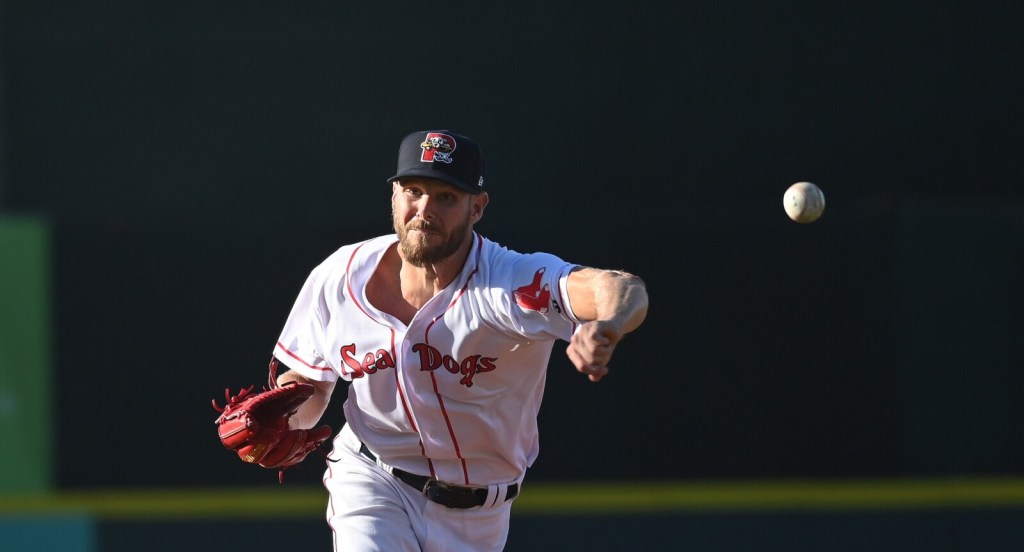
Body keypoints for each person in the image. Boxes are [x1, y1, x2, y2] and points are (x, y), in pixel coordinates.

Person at [271, 129, 648, 551]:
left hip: (480, 513)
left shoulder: (508, 285)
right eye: (413, 191)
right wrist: (283, 416)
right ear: (394, 195)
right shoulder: (340, 277)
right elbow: (312, 383)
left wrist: (609, 324)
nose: (424, 209)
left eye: (445, 197)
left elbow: (620, 286)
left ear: (477, 207)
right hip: (373, 480)